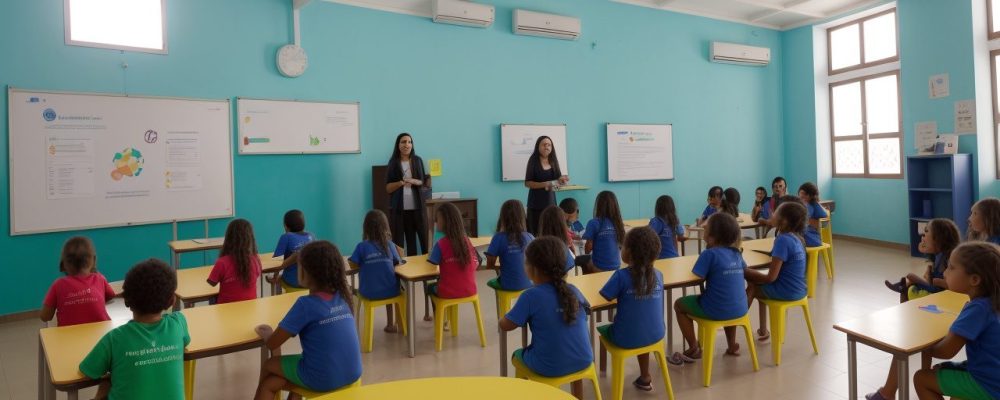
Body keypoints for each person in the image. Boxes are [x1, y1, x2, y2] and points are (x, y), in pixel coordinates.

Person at [868, 242, 1000, 400]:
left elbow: (945, 352)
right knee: (942, 372)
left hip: (988, 385)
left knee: (921, 379)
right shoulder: (991, 302)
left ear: (974, 279)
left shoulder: (977, 309)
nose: (944, 273)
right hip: (992, 375)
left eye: (951, 268)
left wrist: (919, 346)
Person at [254, 241, 362, 400]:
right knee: (283, 376)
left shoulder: (305, 305)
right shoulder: (344, 297)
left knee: (269, 368)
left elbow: (272, 344)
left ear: (307, 273)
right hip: (353, 374)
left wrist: (268, 334)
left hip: (323, 379)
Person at [79, 259, 188, 400]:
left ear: (126, 301)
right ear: (171, 300)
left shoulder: (114, 338)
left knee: (106, 383)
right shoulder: (178, 324)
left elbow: (88, 371)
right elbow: (186, 341)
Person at [500, 237, 592, 400]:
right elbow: (587, 309)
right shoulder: (573, 290)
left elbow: (506, 325)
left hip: (549, 366)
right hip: (584, 360)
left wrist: (501, 319)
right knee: (569, 349)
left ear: (533, 269)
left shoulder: (530, 296)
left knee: (517, 355)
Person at [669, 213, 748, 365]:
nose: (703, 228)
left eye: (706, 227)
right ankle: (732, 345)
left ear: (713, 236)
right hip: (740, 309)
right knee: (727, 299)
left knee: (679, 304)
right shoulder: (736, 253)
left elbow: (697, 277)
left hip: (715, 309)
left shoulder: (709, 254)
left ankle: (693, 347)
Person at [598, 227, 664, 392]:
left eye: (623, 246)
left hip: (624, 338)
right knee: (642, 324)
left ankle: (604, 374)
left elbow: (605, 296)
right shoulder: (659, 275)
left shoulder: (621, 276)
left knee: (604, 328)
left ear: (630, 253)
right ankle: (645, 376)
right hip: (656, 335)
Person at [744, 202, 808, 341]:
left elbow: (770, 278)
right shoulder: (797, 237)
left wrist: (745, 271)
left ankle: (735, 319)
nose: (772, 214)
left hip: (787, 291)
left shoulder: (783, 240)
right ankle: (762, 330)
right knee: (755, 281)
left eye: (776, 212)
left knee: (753, 286)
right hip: (800, 289)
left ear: (784, 221)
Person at [349, 210, 405, 333]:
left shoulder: (361, 246)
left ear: (366, 228)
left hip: (368, 292)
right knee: (391, 283)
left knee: (376, 283)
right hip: (391, 291)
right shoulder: (389, 245)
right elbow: (399, 260)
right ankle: (391, 324)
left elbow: (352, 265)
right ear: (386, 227)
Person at [41, 236, 115, 327]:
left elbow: (45, 317)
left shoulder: (58, 284)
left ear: (63, 263)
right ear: (94, 260)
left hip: (69, 338)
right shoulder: (100, 279)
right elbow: (111, 295)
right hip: (102, 337)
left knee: (43, 334)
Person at [884, 219, 960, 303]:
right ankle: (902, 288)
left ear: (938, 238)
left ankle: (901, 288)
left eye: (926, 232)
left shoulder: (947, 258)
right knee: (910, 283)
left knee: (911, 278)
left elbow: (948, 285)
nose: (923, 236)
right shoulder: (939, 256)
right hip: (935, 290)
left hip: (940, 294)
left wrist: (933, 280)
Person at [385, 133, 431, 256]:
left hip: (417, 209)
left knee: (422, 241)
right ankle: (402, 271)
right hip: (400, 211)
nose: (407, 145)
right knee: (400, 243)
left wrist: (412, 181)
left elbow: (422, 181)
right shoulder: (393, 162)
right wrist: (400, 183)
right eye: (403, 142)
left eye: (409, 142)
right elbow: (388, 188)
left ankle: (425, 271)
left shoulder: (417, 160)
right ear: (398, 145)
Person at [427, 203, 479, 299]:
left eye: (437, 219)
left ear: (445, 221)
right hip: (470, 290)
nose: (436, 222)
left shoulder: (440, 244)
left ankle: (436, 314)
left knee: (429, 287)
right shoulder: (466, 241)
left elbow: (431, 265)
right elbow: (476, 262)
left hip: (447, 292)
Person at [208, 218, 261, 304]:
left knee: (212, 298)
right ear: (250, 238)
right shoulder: (255, 260)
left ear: (228, 238)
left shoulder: (222, 262)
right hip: (250, 308)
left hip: (226, 309)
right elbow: (257, 275)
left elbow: (212, 283)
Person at [524, 136, 569, 235]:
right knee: (536, 233)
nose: (547, 147)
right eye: (544, 144)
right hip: (535, 204)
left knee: (551, 232)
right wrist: (545, 184)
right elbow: (527, 183)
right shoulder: (533, 161)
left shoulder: (553, 161)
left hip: (551, 203)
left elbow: (557, 181)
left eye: (549, 145)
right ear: (538, 147)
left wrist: (562, 181)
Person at [486, 200, 534, 291]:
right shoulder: (530, 237)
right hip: (530, 283)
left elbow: (490, 266)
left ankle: (501, 304)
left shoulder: (498, 238)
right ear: (523, 216)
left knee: (491, 281)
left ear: (502, 217)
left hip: (508, 285)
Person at [272, 210, 315, 290]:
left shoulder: (286, 237)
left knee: (278, 280)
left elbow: (276, 262)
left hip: (293, 281)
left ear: (285, 226)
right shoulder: (311, 236)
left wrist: (275, 276)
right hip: (311, 281)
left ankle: (278, 298)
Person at [583, 191, 625, 273]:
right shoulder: (618, 223)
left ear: (598, 205)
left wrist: (586, 253)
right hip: (616, 265)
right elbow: (621, 244)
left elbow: (589, 246)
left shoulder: (593, 222)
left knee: (585, 263)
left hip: (599, 267)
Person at [537, 205, 578, 273]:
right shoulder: (565, 248)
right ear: (562, 224)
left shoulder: (537, 248)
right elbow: (573, 265)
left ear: (542, 224)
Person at [649, 195, 685, 259]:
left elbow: (648, 237)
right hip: (674, 256)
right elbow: (681, 235)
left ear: (657, 208)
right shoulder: (675, 220)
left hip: (660, 258)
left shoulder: (655, 221)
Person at [797, 182, 828, 247]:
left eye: (805, 194)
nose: (802, 196)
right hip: (811, 235)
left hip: (811, 238)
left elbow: (802, 219)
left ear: (810, 196)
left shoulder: (810, 205)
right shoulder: (812, 205)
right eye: (801, 193)